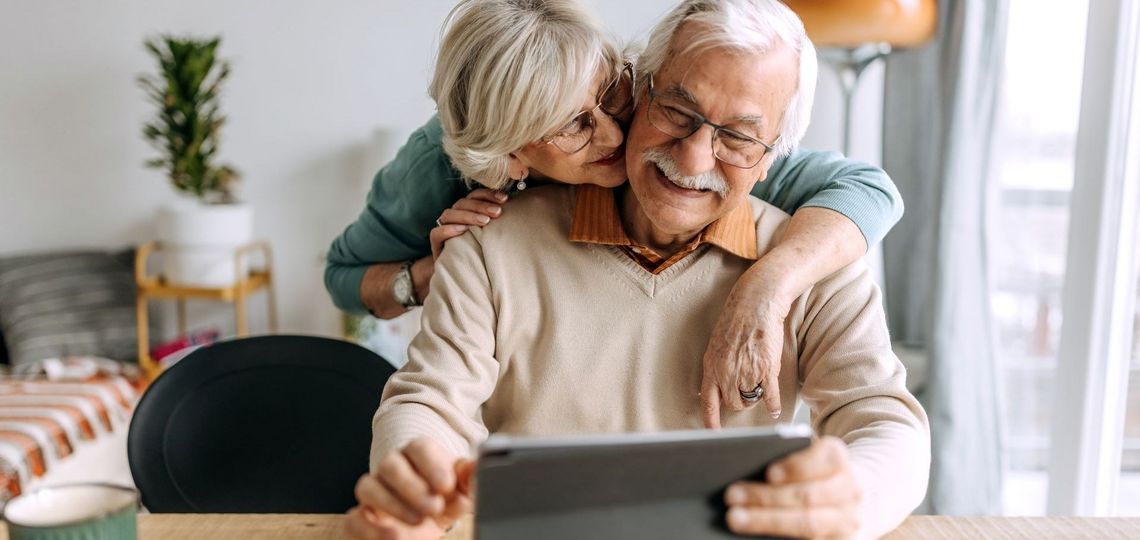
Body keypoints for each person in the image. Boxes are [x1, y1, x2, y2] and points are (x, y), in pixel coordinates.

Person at [346, 1, 929, 539]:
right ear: (641, 90)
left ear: (775, 155)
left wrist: (855, 493)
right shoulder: (483, 243)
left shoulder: (813, 258)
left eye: (738, 138)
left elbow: (883, 421)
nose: (693, 158)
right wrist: (419, 479)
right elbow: (428, 405)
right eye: (678, 111)